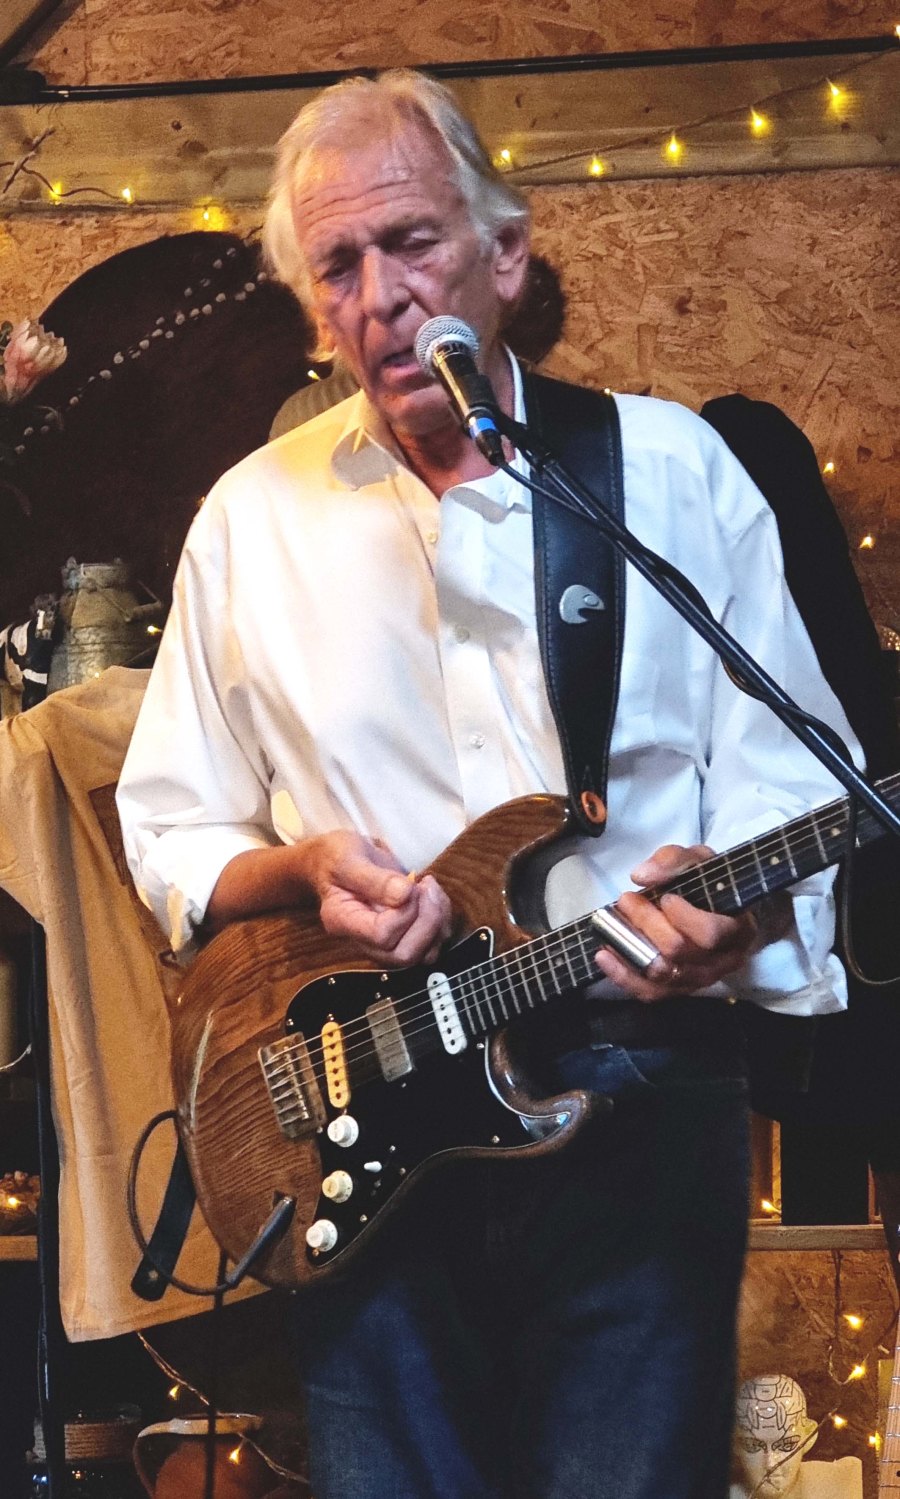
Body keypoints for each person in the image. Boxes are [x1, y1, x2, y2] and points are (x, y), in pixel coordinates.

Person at [117, 70, 862, 1499]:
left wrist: (742, 914)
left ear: (503, 254)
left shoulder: (669, 471)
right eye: (340, 265)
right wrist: (302, 866)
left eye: (411, 241)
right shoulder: (252, 520)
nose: (382, 294)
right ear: (314, 308)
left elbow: (798, 775)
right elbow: (171, 823)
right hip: (367, 1101)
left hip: (639, 1078)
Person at [731, 1374, 862, 1498]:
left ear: (809, 1436)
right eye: (753, 1446)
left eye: (786, 1445)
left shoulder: (834, 1487)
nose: (770, 1464)